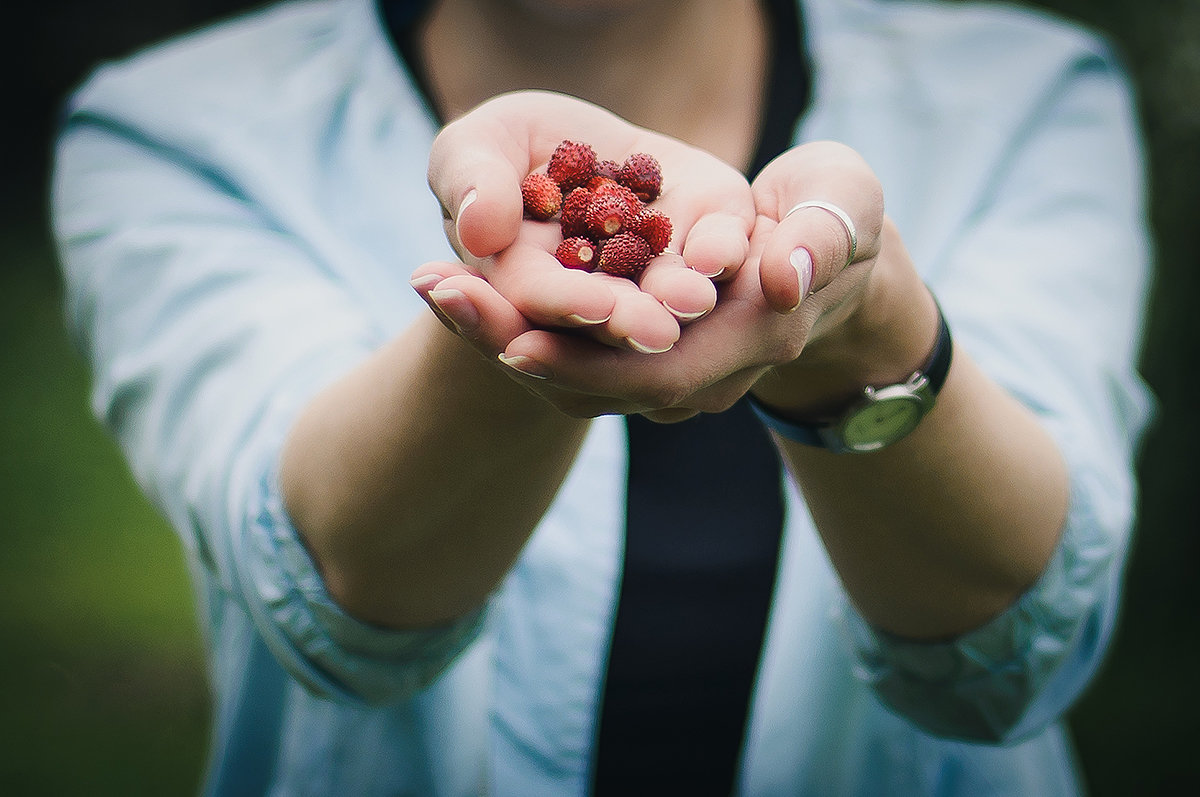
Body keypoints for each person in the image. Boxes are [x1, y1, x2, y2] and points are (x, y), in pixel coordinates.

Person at [51, 0, 1154, 793]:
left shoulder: (1022, 89)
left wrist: (865, 324)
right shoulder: (174, 126)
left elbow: (1018, 652)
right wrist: (508, 327)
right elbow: (336, 591)